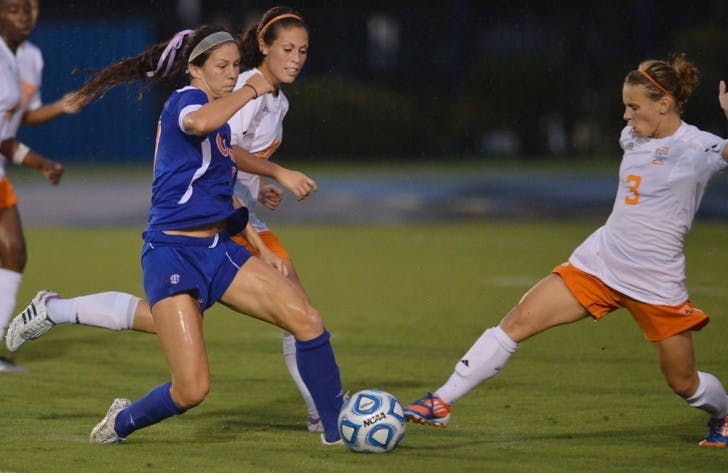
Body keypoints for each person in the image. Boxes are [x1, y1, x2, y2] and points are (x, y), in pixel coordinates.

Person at [13, 24, 345, 445]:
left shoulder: (222, 128)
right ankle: (120, 422)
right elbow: (198, 122)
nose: (231, 74)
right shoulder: (186, 101)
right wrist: (251, 89)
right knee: (191, 389)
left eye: (236, 67)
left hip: (217, 250)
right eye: (222, 66)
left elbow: (228, 198)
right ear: (195, 69)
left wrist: (260, 246)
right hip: (171, 252)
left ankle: (336, 431)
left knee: (306, 318)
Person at [403, 54, 728, 447]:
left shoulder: (698, 147)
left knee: (684, 383)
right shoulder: (633, 138)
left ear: (664, 104)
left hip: (656, 281)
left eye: (633, 107)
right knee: (518, 320)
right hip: (600, 263)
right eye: (624, 106)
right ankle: (441, 402)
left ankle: (723, 414)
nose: (625, 116)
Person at [0, 0, 80, 372]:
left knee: (14, 251)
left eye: (29, 8)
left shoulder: (21, 57)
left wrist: (43, 162)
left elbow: (9, 134)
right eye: (14, 9)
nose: (25, 16)